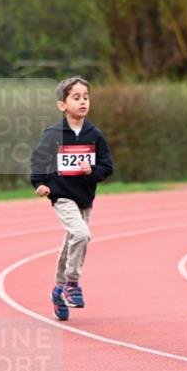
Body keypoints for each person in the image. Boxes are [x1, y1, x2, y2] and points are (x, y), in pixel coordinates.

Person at [30, 76, 113, 321]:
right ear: (62, 105)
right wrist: (41, 183)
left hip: (85, 197)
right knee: (81, 234)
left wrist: (92, 171)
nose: (82, 102)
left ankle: (58, 289)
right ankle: (72, 284)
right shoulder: (54, 133)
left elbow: (107, 167)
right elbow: (38, 160)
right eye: (76, 98)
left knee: (71, 241)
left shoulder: (94, 135)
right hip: (61, 195)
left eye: (86, 97)